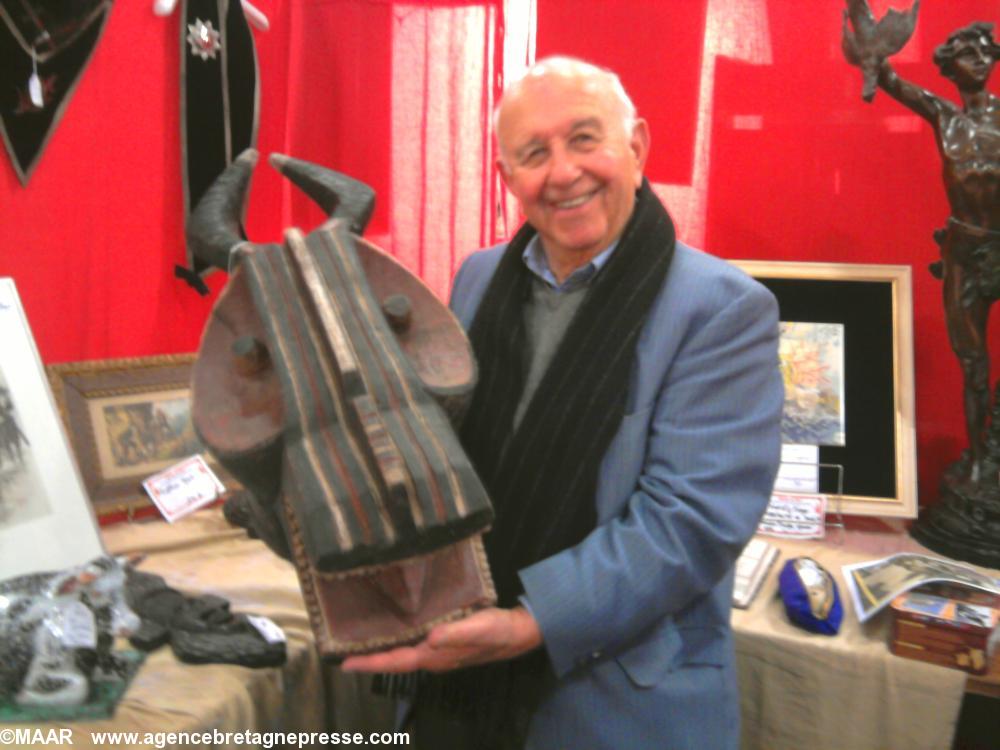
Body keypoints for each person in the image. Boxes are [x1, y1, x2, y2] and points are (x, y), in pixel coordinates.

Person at [343, 56, 783, 750]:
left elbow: (689, 521)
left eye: (585, 139)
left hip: (615, 704)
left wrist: (529, 624)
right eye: (533, 153)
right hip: (452, 681)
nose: (563, 171)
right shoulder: (478, 277)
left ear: (635, 146)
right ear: (507, 179)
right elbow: (441, 444)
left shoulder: (724, 311)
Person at [852, 22, 1000, 482]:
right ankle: (977, 461)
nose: (979, 58)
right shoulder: (945, 117)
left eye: (986, 51)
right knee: (972, 362)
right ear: (949, 68)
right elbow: (891, 79)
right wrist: (868, 48)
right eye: (968, 52)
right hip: (963, 253)